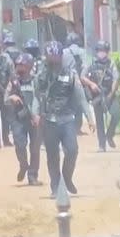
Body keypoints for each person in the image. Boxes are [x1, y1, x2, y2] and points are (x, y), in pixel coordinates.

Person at [34, 42, 95, 197]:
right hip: (49, 121)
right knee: (52, 155)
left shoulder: (71, 74)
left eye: (56, 57)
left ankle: (67, 177)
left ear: (61, 57)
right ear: (46, 57)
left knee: (72, 151)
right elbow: (36, 96)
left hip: (67, 119)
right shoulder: (40, 75)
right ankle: (55, 187)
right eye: (51, 57)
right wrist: (35, 114)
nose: (54, 60)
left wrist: (90, 118)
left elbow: (81, 98)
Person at [5, 52, 43, 186]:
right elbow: (5, 99)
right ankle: (23, 165)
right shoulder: (13, 81)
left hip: (34, 118)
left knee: (35, 148)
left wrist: (37, 115)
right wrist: (12, 98)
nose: (19, 68)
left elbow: (39, 98)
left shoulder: (36, 80)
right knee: (20, 145)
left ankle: (33, 175)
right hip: (18, 119)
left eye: (22, 65)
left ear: (29, 66)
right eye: (18, 65)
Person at [81, 41, 120, 152]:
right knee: (99, 121)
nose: (101, 53)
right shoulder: (91, 63)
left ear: (107, 52)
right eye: (99, 51)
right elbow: (82, 76)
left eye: (104, 51)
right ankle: (101, 145)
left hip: (109, 94)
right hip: (97, 95)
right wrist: (91, 84)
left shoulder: (111, 64)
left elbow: (116, 79)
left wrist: (111, 94)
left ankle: (110, 135)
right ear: (96, 52)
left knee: (117, 114)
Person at [63, 32, 86, 133]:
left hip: (65, 80)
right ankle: (78, 128)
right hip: (79, 81)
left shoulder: (64, 52)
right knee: (80, 104)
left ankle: (67, 127)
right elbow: (86, 66)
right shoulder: (83, 52)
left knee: (66, 103)